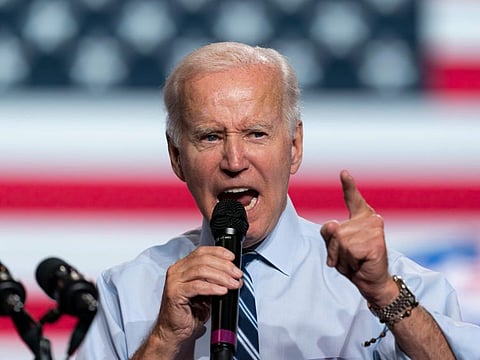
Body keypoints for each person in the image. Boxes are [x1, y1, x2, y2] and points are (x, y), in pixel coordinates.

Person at [77, 42, 479, 359]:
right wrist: (164, 340)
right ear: (177, 157)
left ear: (294, 146)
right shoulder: (124, 291)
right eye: (210, 137)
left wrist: (383, 296)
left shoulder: (388, 283)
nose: (235, 162)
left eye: (256, 134)